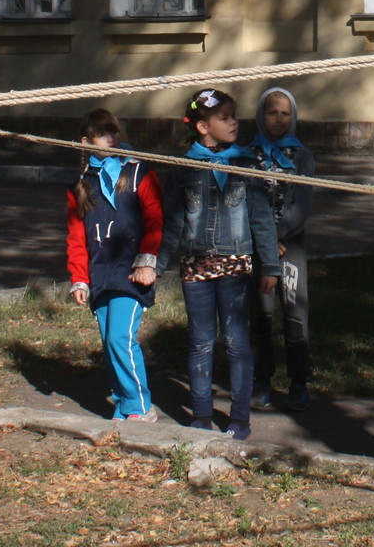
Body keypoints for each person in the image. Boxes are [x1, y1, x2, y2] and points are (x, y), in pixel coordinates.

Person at [155, 88, 280, 440]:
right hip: (196, 267)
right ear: (202, 126)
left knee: (237, 341)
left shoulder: (246, 164)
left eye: (233, 117)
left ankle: (240, 418)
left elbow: (261, 218)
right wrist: (157, 263)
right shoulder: (183, 169)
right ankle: (200, 415)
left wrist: (270, 265)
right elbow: (173, 222)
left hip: (236, 264)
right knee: (200, 341)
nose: (233, 123)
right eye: (224, 118)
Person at [63, 108, 163, 422]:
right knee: (108, 341)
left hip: (131, 272)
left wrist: (148, 262)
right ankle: (122, 402)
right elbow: (76, 236)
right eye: (104, 133)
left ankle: (140, 406)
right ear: (86, 141)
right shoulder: (81, 184)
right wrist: (79, 279)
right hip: (99, 274)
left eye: (114, 131)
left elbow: (156, 220)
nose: (112, 138)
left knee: (121, 336)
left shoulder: (137, 174)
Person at [247, 86, 314, 412]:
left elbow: (301, 204)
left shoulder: (302, 157)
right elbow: (247, 200)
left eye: (284, 114)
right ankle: (262, 381)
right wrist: (266, 241)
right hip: (259, 248)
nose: (278, 119)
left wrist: (280, 234)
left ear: (293, 117)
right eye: (272, 112)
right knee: (260, 314)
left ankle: (299, 382)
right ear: (261, 115)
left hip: (291, 245)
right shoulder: (248, 155)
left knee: (294, 312)